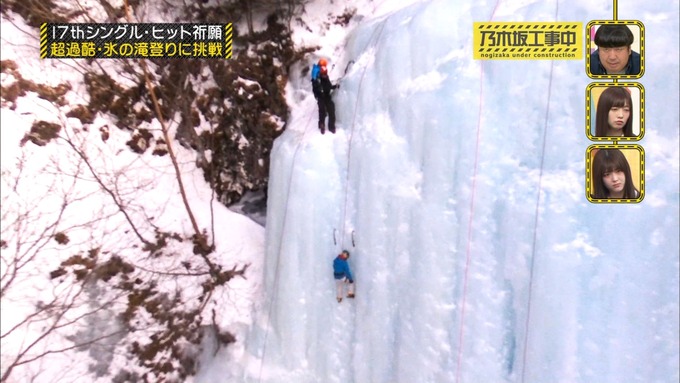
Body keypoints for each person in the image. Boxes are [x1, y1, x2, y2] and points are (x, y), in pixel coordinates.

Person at [312, 58, 339, 134]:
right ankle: (322, 126)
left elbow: (329, 86)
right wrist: (318, 94)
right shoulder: (317, 80)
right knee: (322, 110)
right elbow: (316, 89)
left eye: (325, 74)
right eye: (323, 74)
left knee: (331, 109)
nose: (325, 75)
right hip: (321, 96)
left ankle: (331, 127)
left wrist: (335, 86)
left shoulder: (326, 78)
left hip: (326, 96)